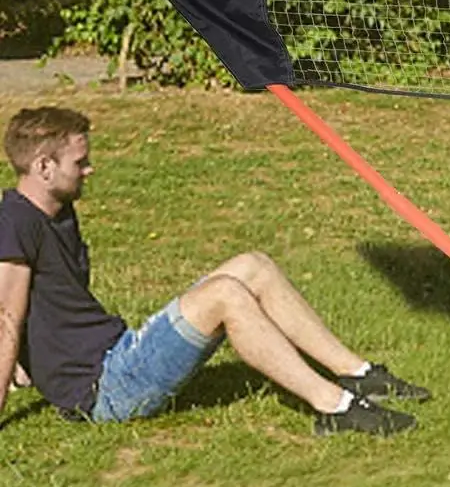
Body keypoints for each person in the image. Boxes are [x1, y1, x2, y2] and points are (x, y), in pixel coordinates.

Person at [0, 106, 426, 435]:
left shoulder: (58, 211)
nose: (89, 169)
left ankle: (359, 374)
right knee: (225, 294)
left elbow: (54, 306)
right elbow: (6, 318)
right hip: (104, 390)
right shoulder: (16, 223)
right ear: (43, 167)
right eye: (80, 163)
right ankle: (336, 407)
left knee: (253, 266)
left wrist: (30, 365)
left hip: (121, 353)